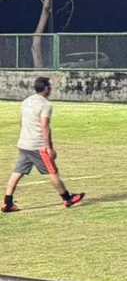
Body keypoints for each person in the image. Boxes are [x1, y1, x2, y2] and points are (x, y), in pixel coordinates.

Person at [3, 77, 85, 213]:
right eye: (50, 87)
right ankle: (67, 198)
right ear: (46, 89)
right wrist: (49, 147)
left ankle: (7, 202)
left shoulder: (26, 101)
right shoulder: (45, 105)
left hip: (24, 143)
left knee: (18, 172)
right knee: (52, 171)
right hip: (38, 146)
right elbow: (45, 127)